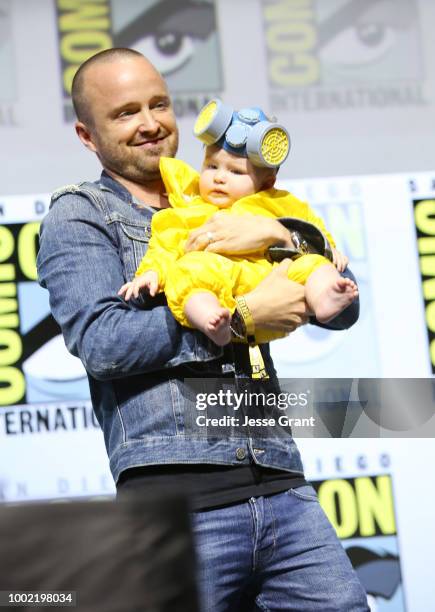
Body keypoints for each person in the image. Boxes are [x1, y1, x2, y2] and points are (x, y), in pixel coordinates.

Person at [37, 48, 369, 611]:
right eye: (125, 113)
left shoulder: (228, 191)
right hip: (177, 507)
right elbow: (102, 342)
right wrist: (238, 322)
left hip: (282, 486)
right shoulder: (80, 213)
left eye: (158, 104)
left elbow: (344, 309)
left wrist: (277, 237)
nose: (149, 123)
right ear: (87, 135)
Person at [118, 100, 358, 348]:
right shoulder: (190, 209)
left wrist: (331, 249)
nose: (220, 177)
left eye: (236, 172)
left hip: (272, 281)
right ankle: (213, 319)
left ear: (266, 183)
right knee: (189, 270)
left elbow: (310, 224)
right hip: (223, 280)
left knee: (313, 264)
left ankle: (325, 298)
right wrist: (151, 272)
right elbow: (165, 244)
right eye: (211, 167)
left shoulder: (277, 202)